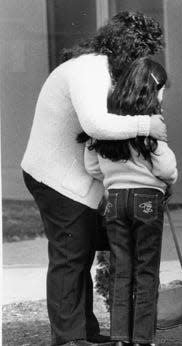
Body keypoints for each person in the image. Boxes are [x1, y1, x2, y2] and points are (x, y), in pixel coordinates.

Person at [21, 11, 167, 346]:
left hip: (70, 175)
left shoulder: (99, 69)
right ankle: (68, 337)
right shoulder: (90, 69)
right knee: (70, 254)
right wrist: (148, 126)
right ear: (129, 51)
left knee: (80, 250)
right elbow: (96, 125)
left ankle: (83, 331)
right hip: (53, 176)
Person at [82, 57, 177, 346]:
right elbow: (166, 169)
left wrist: (115, 173)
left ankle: (120, 337)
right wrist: (169, 177)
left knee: (122, 270)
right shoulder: (151, 126)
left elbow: (92, 166)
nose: (162, 97)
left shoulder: (110, 124)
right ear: (153, 90)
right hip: (147, 199)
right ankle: (142, 339)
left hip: (115, 201)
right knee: (146, 270)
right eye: (162, 90)